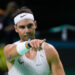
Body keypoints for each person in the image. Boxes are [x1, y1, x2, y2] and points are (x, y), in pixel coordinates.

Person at [3, 6, 65, 75]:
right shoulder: (8, 49)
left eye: (29, 26)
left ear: (35, 24)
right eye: (22, 27)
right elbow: (9, 55)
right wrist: (29, 44)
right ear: (16, 29)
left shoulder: (49, 50)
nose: (27, 30)